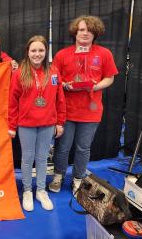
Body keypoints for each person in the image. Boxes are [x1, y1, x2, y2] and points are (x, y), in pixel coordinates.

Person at [48, 15, 118, 195]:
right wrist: (63, 85)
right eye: (81, 30)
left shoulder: (104, 54)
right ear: (75, 32)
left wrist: (94, 86)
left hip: (91, 112)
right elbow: (54, 78)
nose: (85, 33)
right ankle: (58, 176)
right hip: (67, 111)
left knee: (83, 148)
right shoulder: (62, 54)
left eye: (89, 30)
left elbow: (109, 78)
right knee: (63, 147)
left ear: (95, 33)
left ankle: (78, 179)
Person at [8, 35, 66, 211]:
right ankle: (27, 191)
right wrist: (11, 126)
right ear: (28, 52)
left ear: (46, 52)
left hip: (48, 123)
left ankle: (41, 190)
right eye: (33, 50)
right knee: (27, 159)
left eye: (41, 50)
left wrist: (60, 122)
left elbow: (60, 99)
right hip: (26, 124)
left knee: (42, 159)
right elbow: (12, 101)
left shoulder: (54, 72)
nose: (37, 54)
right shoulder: (20, 73)